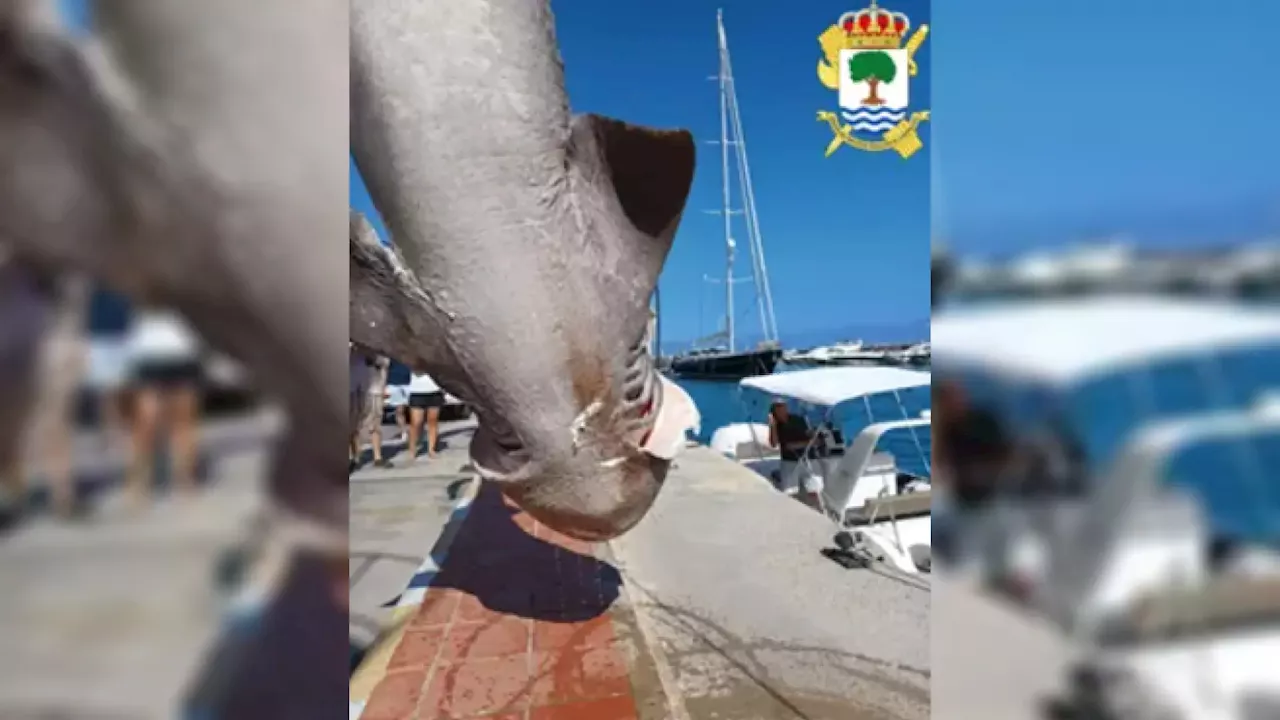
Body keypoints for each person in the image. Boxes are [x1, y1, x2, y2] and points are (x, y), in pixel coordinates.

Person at [125, 307, 204, 507]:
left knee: (183, 424)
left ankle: (184, 481)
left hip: (182, 348)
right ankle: (140, 483)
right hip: (150, 351)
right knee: (146, 425)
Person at [767, 399, 821, 505]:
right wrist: (772, 426)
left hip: (807, 459)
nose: (781, 411)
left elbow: (813, 440)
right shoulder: (777, 425)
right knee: (790, 492)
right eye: (778, 409)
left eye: (782, 408)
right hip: (789, 461)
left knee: (814, 489)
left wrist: (798, 445)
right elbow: (774, 443)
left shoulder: (798, 420)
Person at [362, 354, 394, 469]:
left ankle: (377, 457)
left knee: (375, 426)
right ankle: (353, 456)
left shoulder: (381, 353)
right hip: (356, 390)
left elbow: (376, 362)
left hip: (375, 392)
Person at [405, 370, 445, 463]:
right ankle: (412, 450)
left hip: (435, 390)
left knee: (433, 421)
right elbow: (417, 371)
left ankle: (431, 450)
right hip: (417, 392)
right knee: (416, 423)